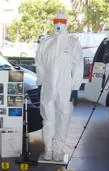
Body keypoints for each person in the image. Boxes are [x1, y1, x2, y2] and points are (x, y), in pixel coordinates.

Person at [35, 11, 84, 161]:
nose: (58, 24)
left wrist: (75, 87)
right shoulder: (45, 43)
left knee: (64, 118)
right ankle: (48, 149)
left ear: (66, 23)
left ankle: (58, 149)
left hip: (66, 87)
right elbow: (40, 64)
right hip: (48, 87)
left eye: (61, 22)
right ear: (53, 22)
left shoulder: (73, 43)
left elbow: (78, 66)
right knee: (48, 119)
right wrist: (40, 82)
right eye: (56, 21)